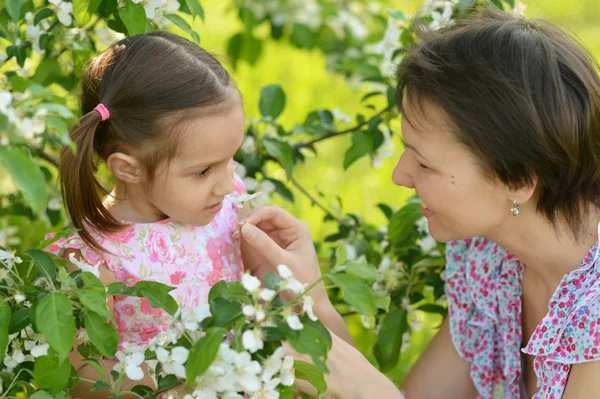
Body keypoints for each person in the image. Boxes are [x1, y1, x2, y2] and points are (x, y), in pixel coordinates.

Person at [236, 7, 600, 399]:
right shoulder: (492, 260)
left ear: (519, 179)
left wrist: (363, 389)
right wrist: (314, 302)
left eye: (425, 163)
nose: (400, 176)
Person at [44, 31, 247, 398]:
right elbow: (89, 378)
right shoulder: (93, 262)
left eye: (231, 159)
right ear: (128, 168)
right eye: (204, 171)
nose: (228, 184)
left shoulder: (226, 203)